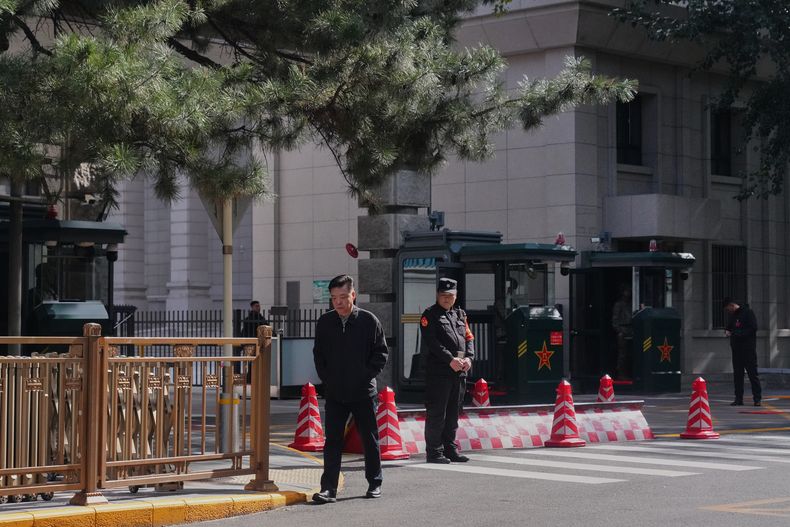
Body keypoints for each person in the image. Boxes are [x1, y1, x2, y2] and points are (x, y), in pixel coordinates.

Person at [311, 275, 388, 503]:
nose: (338, 302)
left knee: (369, 439)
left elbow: (381, 354)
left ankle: (375, 483)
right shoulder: (325, 322)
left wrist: (364, 376)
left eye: (343, 297)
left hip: (363, 392)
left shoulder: (369, 321)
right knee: (332, 440)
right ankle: (328, 489)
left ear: (353, 295)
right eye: (334, 298)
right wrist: (328, 380)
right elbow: (319, 356)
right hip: (335, 392)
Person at [420, 277, 474, 464]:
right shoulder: (429, 315)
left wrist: (469, 357)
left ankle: (450, 449)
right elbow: (432, 343)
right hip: (439, 373)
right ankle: (434, 452)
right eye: (443, 295)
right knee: (437, 414)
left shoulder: (460, 314)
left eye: (450, 296)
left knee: (453, 413)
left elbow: (469, 337)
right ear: (437, 295)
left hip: (459, 372)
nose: (446, 299)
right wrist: (450, 359)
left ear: (455, 296)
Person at [723, 298, 762, 406]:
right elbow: (729, 327)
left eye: (728, 309)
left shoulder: (748, 313)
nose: (728, 311)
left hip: (748, 349)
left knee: (752, 374)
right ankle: (738, 398)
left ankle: (757, 398)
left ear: (732, 305)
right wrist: (727, 330)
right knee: (738, 375)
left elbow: (753, 328)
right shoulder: (733, 315)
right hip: (736, 349)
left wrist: (738, 334)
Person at [611, 287, 633, 380]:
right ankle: (621, 373)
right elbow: (615, 320)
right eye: (626, 291)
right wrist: (620, 331)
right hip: (623, 330)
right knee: (623, 353)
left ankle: (628, 372)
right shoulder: (619, 305)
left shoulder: (631, 304)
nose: (628, 293)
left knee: (630, 353)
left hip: (631, 329)